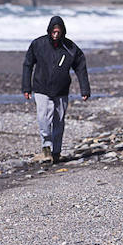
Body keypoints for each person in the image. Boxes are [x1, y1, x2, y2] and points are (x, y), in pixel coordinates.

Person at [22, 15, 90, 164]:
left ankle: (56, 152)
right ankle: (46, 148)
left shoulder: (70, 47)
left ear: (63, 31)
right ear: (49, 30)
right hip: (41, 88)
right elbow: (28, 64)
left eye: (58, 32)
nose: (56, 34)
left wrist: (84, 89)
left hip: (61, 90)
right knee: (43, 118)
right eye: (54, 31)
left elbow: (80, 67)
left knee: (59, 121)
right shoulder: (38, 44)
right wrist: (26, 87)